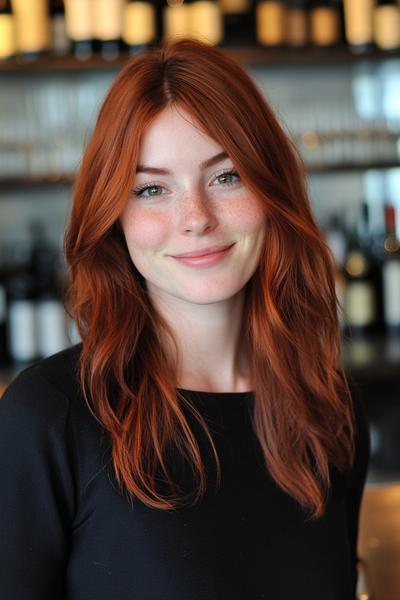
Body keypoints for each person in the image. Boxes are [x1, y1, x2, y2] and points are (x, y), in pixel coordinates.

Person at [0, 38, 370, 599]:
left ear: (272, 190)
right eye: (151, 189)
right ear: (113, 218)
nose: (195, 218)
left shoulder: (329, 406)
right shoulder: (49, 417)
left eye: (226, 177)